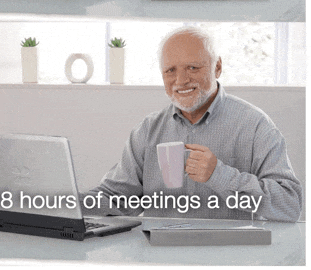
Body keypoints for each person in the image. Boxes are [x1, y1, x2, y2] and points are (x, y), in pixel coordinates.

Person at [82, 27, 302, 221]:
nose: (181, 80)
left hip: (231, 256)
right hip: (160, 255)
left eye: (193, 68)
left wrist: (219, 175)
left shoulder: (255, 126)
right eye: (171, 70)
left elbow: (290, 206)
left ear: (217, 67)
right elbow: (117, 198)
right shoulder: (148, 131)